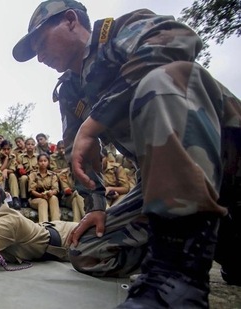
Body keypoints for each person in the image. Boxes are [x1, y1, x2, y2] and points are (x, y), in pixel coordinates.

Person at [12, 0, 241, 306]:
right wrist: (94, 205)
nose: (40, 57)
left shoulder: (118, 33)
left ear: (70, 20)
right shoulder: (70, 90)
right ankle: (224, 240)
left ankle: (177, 279)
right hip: (170, 185)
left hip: (228, 159)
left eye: (41, 43)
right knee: (88, 251)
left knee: (164, 79)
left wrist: (96, 121)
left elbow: (179, 39)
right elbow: (77, 154)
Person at [28, 153, 60, 223]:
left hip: (48, 196)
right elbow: (32, 190)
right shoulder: (33, 174)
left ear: (48, 162)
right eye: (41, 161)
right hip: (35, 199)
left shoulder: (52, 175)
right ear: (38, 162)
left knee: (54, 198)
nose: (43, 163)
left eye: (45, 161)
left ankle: (57, 224)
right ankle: (44, 226)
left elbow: (56, 189)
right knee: (43, 202)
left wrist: (51, 192)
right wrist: (41, 196)